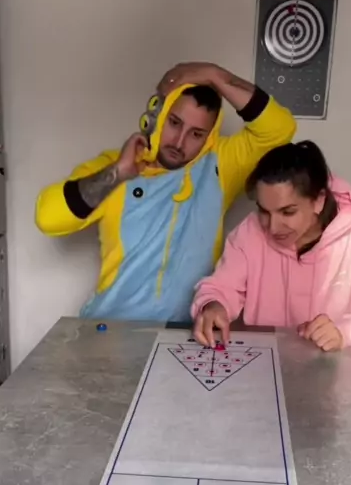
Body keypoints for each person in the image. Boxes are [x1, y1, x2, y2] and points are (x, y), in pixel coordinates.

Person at [35, 62, 296, 322]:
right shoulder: (115, 165)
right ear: (156, 114)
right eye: (174, 122)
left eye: (196, 134)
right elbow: (48, 218)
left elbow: (279, 128)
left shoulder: (221, 165)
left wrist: (214, 75)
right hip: (110, 326)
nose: (179, 143)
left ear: (209, 137)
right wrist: (117, 173)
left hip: (188, 331)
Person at [191, 141, 351, 351]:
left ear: (319, 200)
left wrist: (346, 331)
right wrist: (213, 305)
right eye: (264, 211)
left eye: (288, 212)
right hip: (263, 368)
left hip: (339, 370)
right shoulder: (249, 231)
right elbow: (221, 287)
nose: (273, 227)